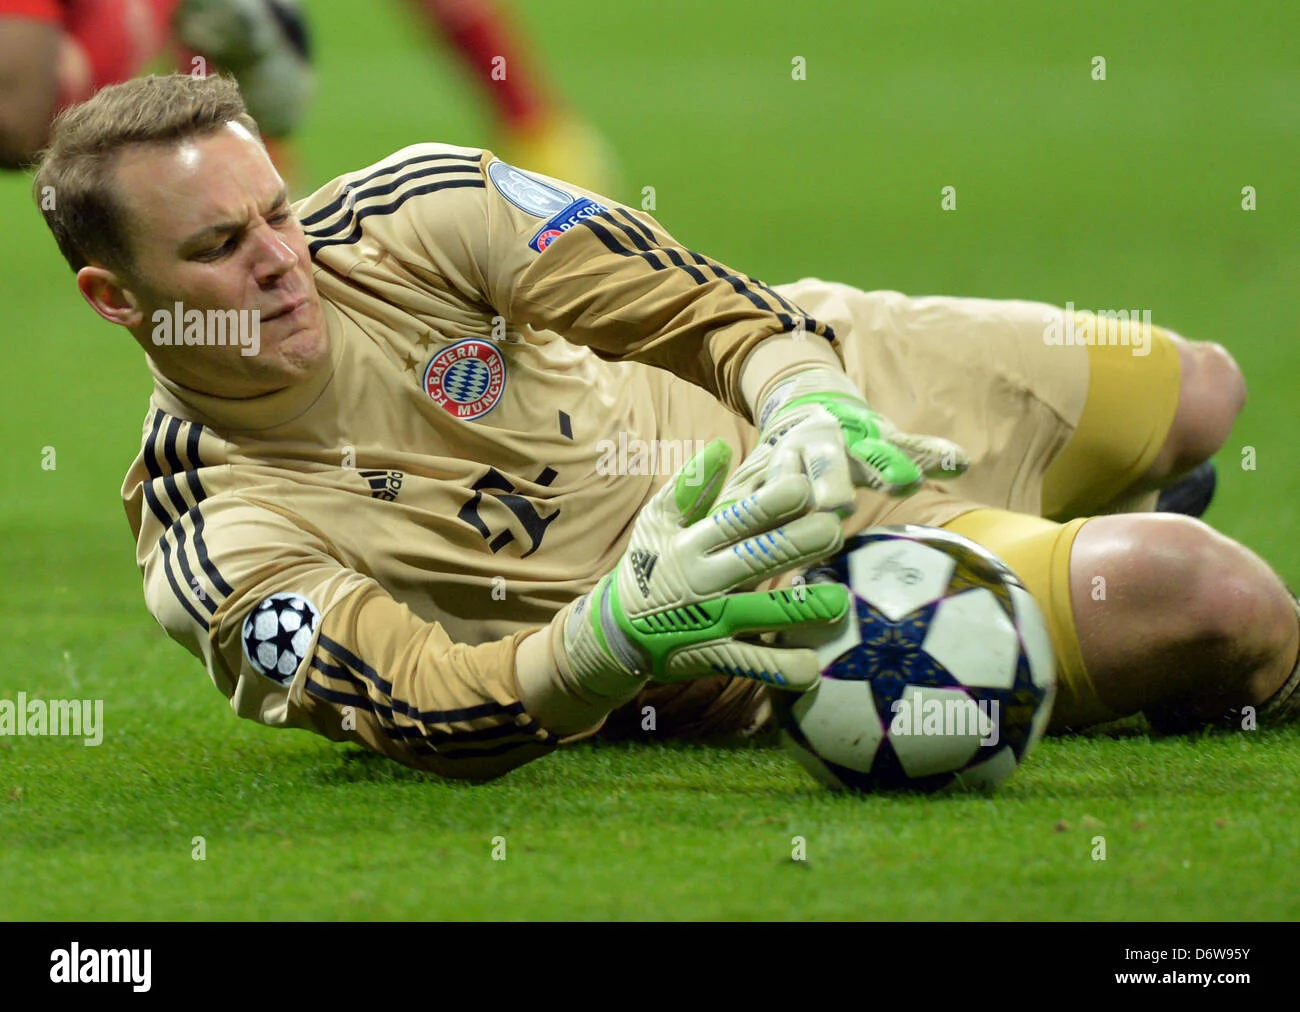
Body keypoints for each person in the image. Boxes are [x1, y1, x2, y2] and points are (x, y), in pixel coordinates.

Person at [32, 73, 1300, 780]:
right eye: (217, 247)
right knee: (1214, 601)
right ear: (113, 297)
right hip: (790, 599)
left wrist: (804, 397)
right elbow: (424, 707)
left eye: (274, 213)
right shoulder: (217, 539)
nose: (280, 262)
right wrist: (616, 633)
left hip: (838, 390)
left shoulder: (410, 208)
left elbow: (687, 300)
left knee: (1203, 391)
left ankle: (1088, 527)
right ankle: (1119, 581)